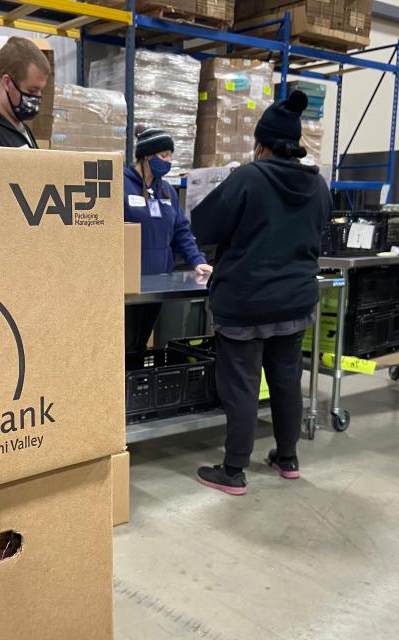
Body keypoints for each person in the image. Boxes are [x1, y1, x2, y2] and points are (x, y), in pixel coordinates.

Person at [190, 90, 331, 495]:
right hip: (295, 301)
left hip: (246, 303)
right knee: (287, 381)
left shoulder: (248, 178)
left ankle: (233, 469)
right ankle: (287, 457)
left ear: (262, 144)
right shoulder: (318, 185)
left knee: (242, 386)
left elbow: (204, 227)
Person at [124, 126, 213, 352]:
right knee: (124, 342)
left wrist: (197, 260)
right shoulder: (121, 185)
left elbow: (181, 231)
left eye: (170, 156)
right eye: (163, 155)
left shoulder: (167, 191)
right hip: (128, 283)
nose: (168, 161)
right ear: (146, 155)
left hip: (158, 283)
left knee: (140, 341)